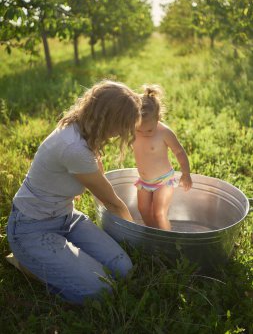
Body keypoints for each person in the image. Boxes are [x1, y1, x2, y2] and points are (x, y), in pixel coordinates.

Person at [7, 80, 142, 304]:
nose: (120, 133)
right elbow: (113, 203)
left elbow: (97, 178)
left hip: (66, 218)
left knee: (123, 269)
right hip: (31, 229)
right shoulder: (74, 146)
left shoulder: (85, 128)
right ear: (107, 119)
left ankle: (54, 262)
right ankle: (28, 263)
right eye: (120, 125)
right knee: (101, 290)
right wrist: (140, 236)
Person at [132, 85, 192, 231]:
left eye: (149, 130)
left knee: (159, 213)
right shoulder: (133, 128)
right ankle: (154, 235)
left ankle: (168, 239)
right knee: (143, 210)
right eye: (140, 130)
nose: (144, 133)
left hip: (164, 180)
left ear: (158, 118)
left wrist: (186, 173)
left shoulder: (164, 133)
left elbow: (179, 152)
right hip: (144, 181)